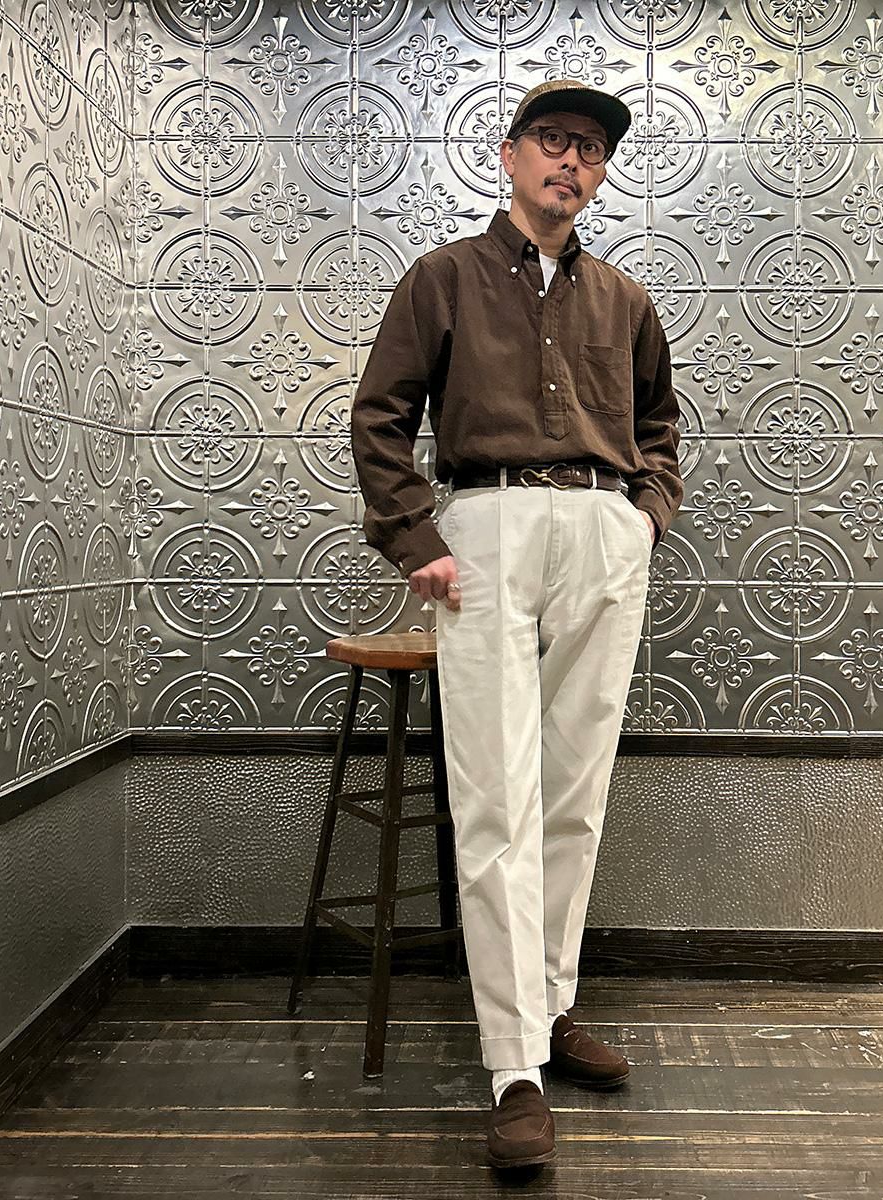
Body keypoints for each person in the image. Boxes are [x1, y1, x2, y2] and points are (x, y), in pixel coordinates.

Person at [350, 78, 683, 1170]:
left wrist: (643, 520)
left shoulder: (626, 299)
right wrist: (416, 538)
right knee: (496, 794)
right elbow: (381, 416)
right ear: (509, 155)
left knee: (575, 792)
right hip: (487, 528)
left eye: (590, 148)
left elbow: (659, 427)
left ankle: (549, 1006)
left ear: (601, 172)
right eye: (552, 139)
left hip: (601, 532)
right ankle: (511, 1067)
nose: (571, 160)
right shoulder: (442, 277)